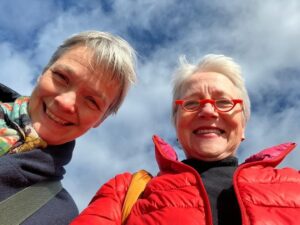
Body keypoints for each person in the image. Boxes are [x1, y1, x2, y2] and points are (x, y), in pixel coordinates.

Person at [71, 54, 300, 225]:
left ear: (243, 125)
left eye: (223, 102)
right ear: (177, 125)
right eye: (191, 104)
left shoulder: (295, 183)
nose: (208, 111)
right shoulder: (125, 191)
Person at [0, 30, 136, 224]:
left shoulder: (59, 214)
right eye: (61, 77)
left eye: (91, 101)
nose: (65, 102)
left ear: (99, 121)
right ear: (43, 73)